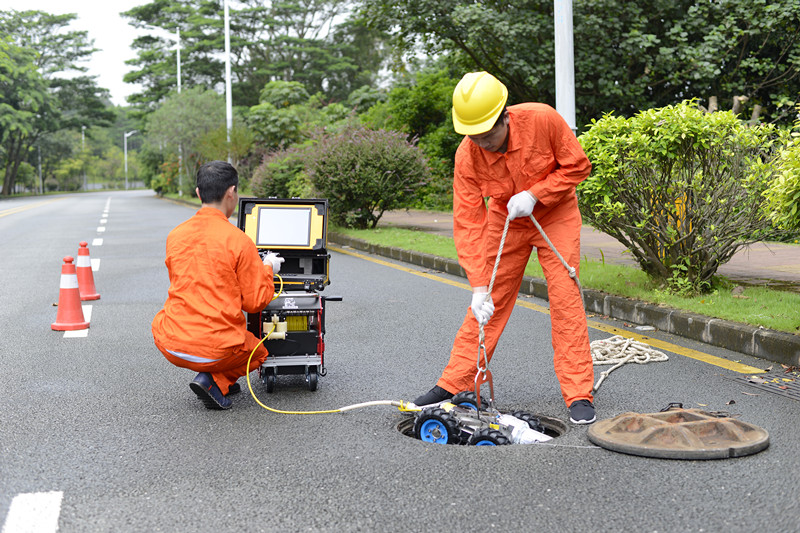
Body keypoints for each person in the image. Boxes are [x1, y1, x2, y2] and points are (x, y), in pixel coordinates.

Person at [413, 72, 596, 424]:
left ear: (505, 116)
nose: (482, 143)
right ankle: (454, 384)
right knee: (487, 306)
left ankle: (578, 394)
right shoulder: (467, 155)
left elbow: (578, 166)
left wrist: (535, 194)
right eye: (474, 136)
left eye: (488, 135)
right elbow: (468, 220)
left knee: (564, 298)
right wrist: (478, 287)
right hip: (505, 217)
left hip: (554, 213)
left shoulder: (542, 119)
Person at [152, 160, 284, 410]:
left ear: (198, 193)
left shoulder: (176, 235)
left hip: (170, 342)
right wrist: (268, 269)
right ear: (232, 192)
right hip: (215, 348)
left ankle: (215, 374)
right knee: (259, 353)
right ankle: (215, 379)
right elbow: (255, 303)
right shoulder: (239, 241)